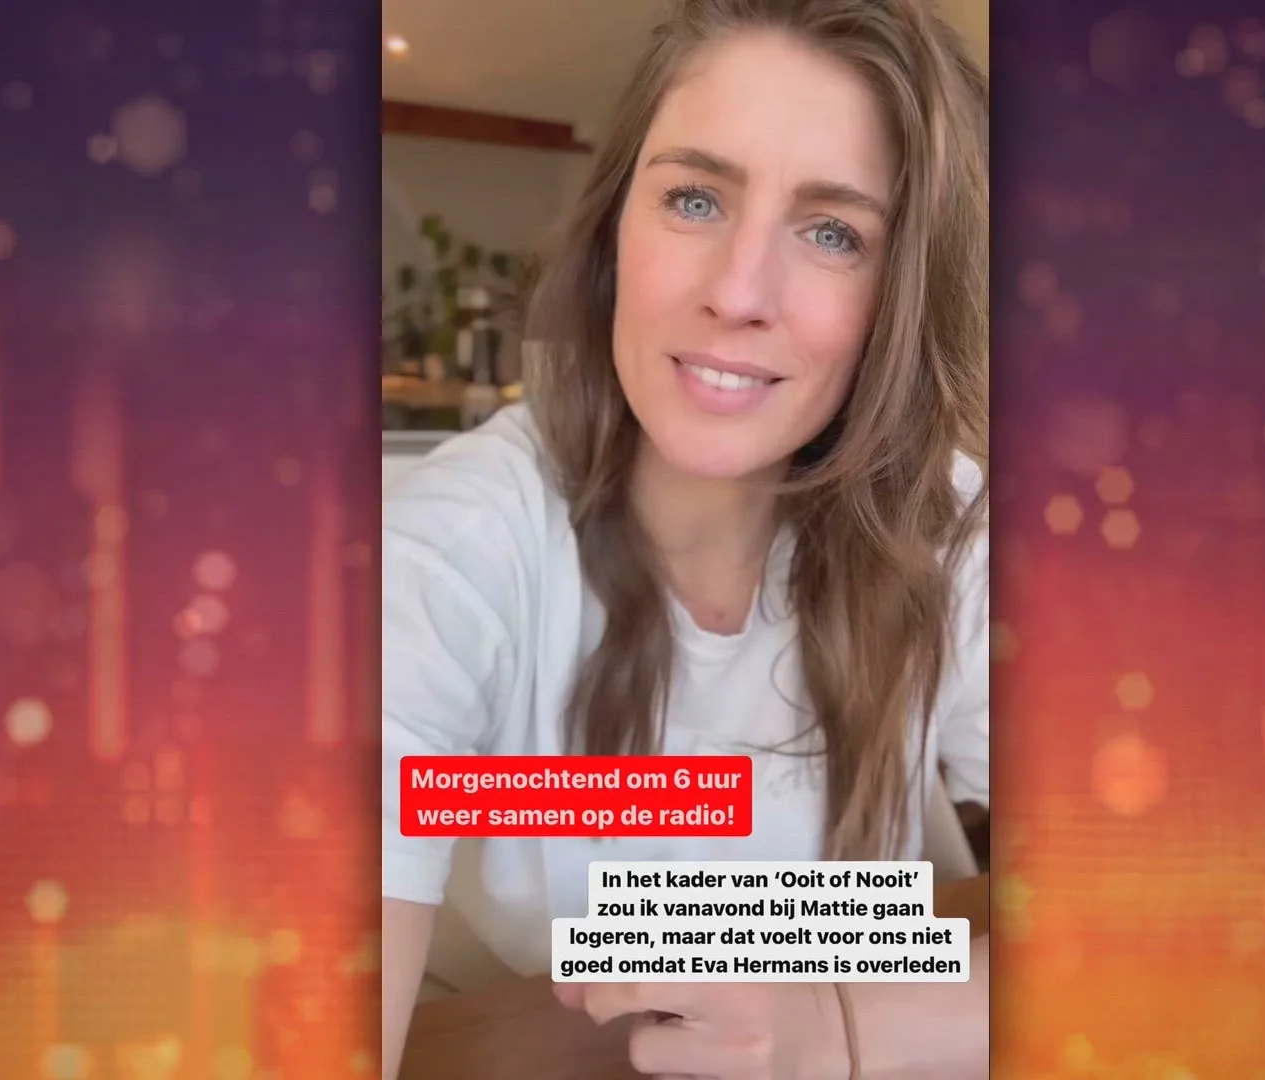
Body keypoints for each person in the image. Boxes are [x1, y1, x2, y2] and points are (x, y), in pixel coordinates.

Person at [381, 0, 991, 1075]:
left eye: (834, 233)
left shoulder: (951, 524)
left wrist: (846, 1028)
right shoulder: (447, 551)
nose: (736, 293)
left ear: (908, 295)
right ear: (616, 227)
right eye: (695, 198)